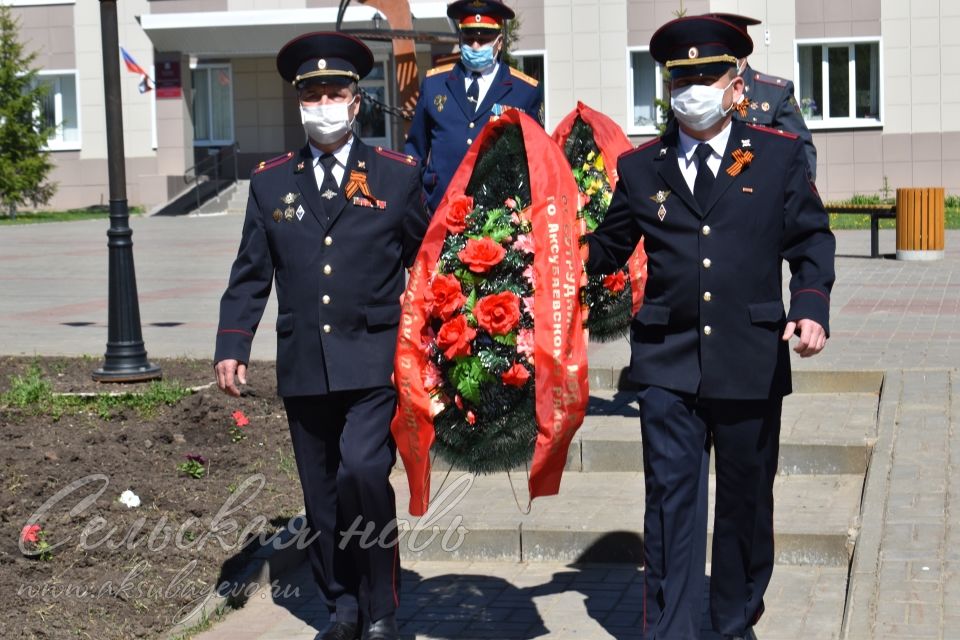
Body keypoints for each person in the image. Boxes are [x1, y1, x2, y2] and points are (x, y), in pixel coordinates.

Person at [583, 16, 835, 640]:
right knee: (671, 503)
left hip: (751, 355)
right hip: (668, 359)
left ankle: (732, 620)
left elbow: (811, 239)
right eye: (682, 78)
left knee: (747, 502)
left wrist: (809, 305)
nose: (694, 89)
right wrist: (532, 247)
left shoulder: (776, 157)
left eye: (707, 76)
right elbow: (605, 251)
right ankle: (670, 627)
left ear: (736, 84)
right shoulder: (643, 168)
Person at [213, 32, 429, 640]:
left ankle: (382, 607)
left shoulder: (395, 176)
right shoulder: (271, 183)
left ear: (357, 102)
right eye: (312, 94)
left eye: (335, 92)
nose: (324, 102)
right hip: (305, 362)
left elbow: (430, 258)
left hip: (373, 360)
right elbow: (252, 272)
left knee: (361, 472)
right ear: (300, 104)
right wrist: (233, 342)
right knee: (321, 493)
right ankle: (342, 609)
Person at [404, 0, 544, 213]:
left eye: (484, 39)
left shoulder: (524, 91)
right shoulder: (434, 84)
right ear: (460, 40)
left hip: (498, 219)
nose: (475, 46)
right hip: (440, 211)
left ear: (499, 42)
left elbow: (536, 158)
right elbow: (415, 152)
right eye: (469, 39)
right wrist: (418, 203)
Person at [706, 12, 818, 180]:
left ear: (744, 50)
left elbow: (802, 159)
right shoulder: (699, 95)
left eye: (729, 49)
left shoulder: (775, 94)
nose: (723, 56)